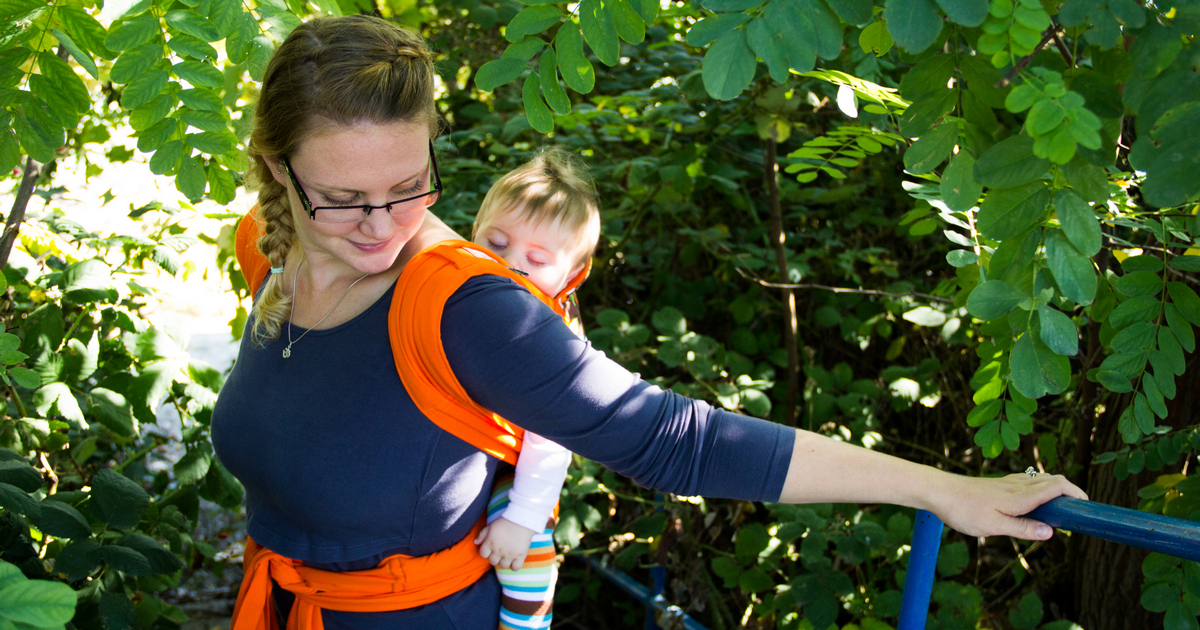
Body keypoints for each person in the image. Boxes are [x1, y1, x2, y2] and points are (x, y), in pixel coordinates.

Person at [211, 14, 1087, 630]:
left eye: (411, 187)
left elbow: (674, 438)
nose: (384, 224)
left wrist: (940, 488)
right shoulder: (267, 248)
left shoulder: (464, 309)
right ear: (276, 169)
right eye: (343, 199)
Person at [469, 149, 601, 630]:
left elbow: (552, 439)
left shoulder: (552, 335)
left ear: (570, 276)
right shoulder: (457, 287)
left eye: (536, 259)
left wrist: (524, 516)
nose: (509, 264)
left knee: (530, 563)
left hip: (519, 472)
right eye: (496, 242)